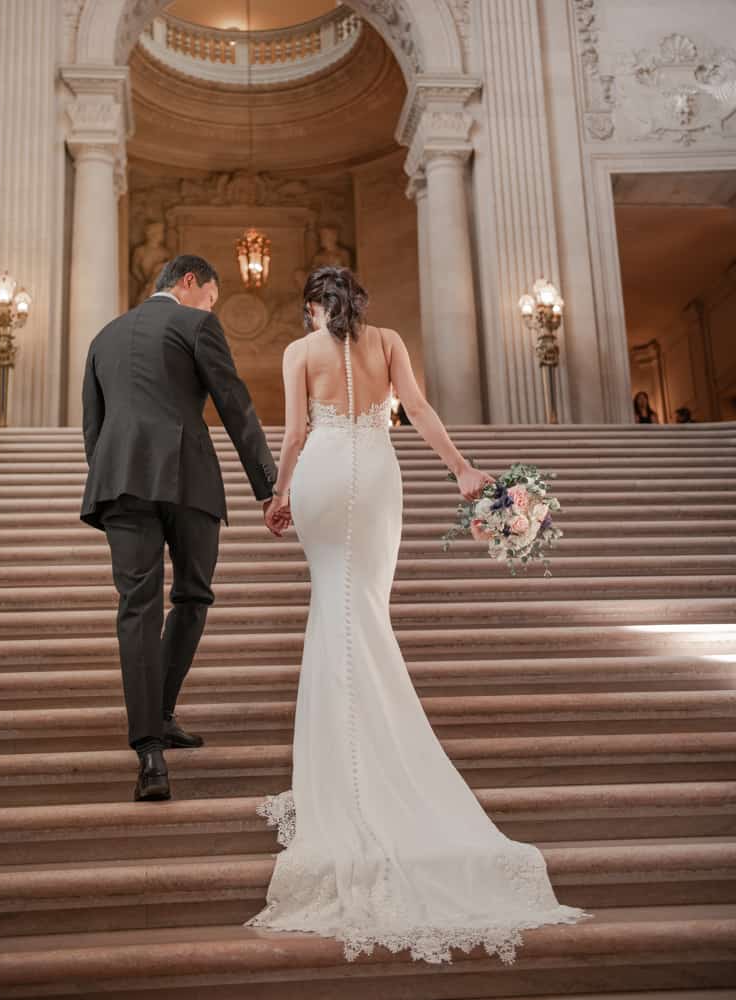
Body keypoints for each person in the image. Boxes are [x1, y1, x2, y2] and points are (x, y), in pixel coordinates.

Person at [245, 266, 592, 964]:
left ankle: (344, 766)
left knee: (332, 605)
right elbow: (420, 410)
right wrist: (462, 470)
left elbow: (293, 434)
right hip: (376, 474)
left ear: (313, 307)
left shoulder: (299, 351)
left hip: (320, 477)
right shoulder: (390, 340)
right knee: (365, 607)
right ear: (357, 302)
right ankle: (377, 747)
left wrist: (277, 493)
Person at [80, 255, 277, 802]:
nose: (210, 306)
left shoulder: (104, 336)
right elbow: (234, 403)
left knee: (136, 608)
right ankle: (159, 716)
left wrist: (112, 479)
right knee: (192, 596)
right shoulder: (196, 324)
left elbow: (92, 429)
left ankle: (151, 748)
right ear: (189, 283)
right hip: (188, 478)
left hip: (120, 484)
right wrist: (268, 486)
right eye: (211, 296)